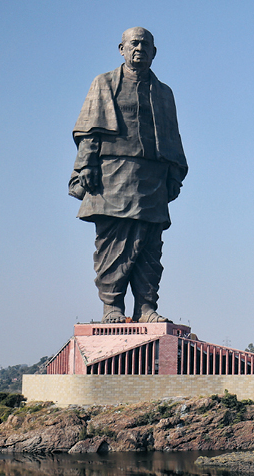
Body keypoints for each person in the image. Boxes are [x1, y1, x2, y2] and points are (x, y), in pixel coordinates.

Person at [69, 27, 187, 323]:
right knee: (113, 242)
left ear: (154, 52)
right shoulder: (104, 83)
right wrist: (86, 165)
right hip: (112, 175)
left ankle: (146, 307)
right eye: (134, 43)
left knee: (150, 245)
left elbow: (172, 138)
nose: (140, 48)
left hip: (152, 177)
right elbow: (89, 132)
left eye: (146, 45)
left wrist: (173, 175)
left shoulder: (164, 93)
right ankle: (113, 306)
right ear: (121, 48)